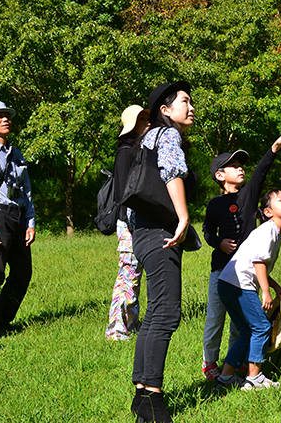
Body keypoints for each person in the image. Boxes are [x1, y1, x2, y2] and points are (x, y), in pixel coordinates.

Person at [201, 129, 281, 381]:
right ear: (220, 175)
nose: (241, 169)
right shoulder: (214, 204)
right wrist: (219, 243)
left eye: (241, 165)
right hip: (222, 269)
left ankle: (237, 363)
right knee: (215, 318)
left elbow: (260, 173)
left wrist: (273, 149)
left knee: (240, 325)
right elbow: (207, 231)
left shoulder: (248, 197)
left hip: (247, 272)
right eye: (234, 166)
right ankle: (210, 364)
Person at [130, 82, 194, 423]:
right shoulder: (166, 136)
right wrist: (183, 217)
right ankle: (153, 398)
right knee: (167, 312)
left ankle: (142, 394)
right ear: (165, 110)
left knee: (155, 312)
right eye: (185, 101)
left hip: (143, 232)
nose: (192, 106)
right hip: (161, 233)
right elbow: (171, 172)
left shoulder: (145, 140)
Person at [214, 188, 281, 391]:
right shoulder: (268, 231)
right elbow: (258, 262)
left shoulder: (274, 232)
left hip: (227, 284)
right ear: (268, 212)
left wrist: (274, 286)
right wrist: (265, 291)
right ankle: (254, 377)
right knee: (261, 327)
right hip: (239, 285)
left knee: (248, 331)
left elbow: (259, 265)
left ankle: (225, 378)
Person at [0, 100, 36, 336]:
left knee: (22, 273)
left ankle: (4, 320)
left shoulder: (17, 154)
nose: (5, 119)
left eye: (7, 116)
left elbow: (26, 191)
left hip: (17, 216)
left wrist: (30, 222)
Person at [105, 105, 149, 341]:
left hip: (138, 222)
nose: (147, 122)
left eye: (147, 118)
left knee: (135, 275)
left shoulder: (139, 151)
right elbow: (124, 193)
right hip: (128, 222)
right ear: (132, 124)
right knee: (127, 275)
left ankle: (131, 324)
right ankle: (116, 329)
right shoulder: (125, 152)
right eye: (142, 119)